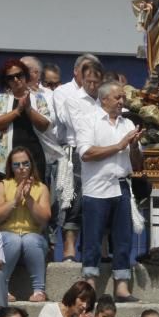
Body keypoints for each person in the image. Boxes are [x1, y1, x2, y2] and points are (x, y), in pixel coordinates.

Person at [76, 80, 144, 301]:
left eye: (123, 98)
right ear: (104, 98)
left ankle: (122, 285)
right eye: (117, 97)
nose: (122, 102)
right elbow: (86, 153)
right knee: (93, 238)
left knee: (123, 238)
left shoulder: (127, 124)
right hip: (96, 186)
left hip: (122, 184)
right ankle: (90, 283)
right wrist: (119, 145)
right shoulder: (89, 120)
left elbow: (137, 163)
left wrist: (133, 147)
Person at [0, 147, 52, 303]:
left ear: (31, 165)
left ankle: (38, 290)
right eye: (17, 165)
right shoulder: (3, 185)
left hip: (33, 240)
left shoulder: (41, 187)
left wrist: (28, 199)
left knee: (29, 239)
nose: (22, 168)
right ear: (11, 167)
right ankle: (2, 288)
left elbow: (45, 219)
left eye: (25, 164)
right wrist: (14, 201)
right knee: (14, 239)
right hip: (7, 239)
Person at [54, 57, 102, 262]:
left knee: (98, 200)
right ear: (79, 75)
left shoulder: (103, 97)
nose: (91, 84)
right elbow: (73, 123)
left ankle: (100, 248)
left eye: (95, 81)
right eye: (87, 79)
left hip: (101, 151)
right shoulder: (66, 94)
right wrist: (98, 124)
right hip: (75, 151)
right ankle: (70, 247)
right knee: (73, 201)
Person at [0, 59, 55, 182]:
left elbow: (44, 126)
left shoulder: (39, 98)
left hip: (34, 157)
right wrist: (17, 111)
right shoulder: (1, 99)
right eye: (10, 77)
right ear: (6, 81)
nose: (16, 80)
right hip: (6, 160)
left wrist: (28, 108)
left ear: (25, 76)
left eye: (19, 75)